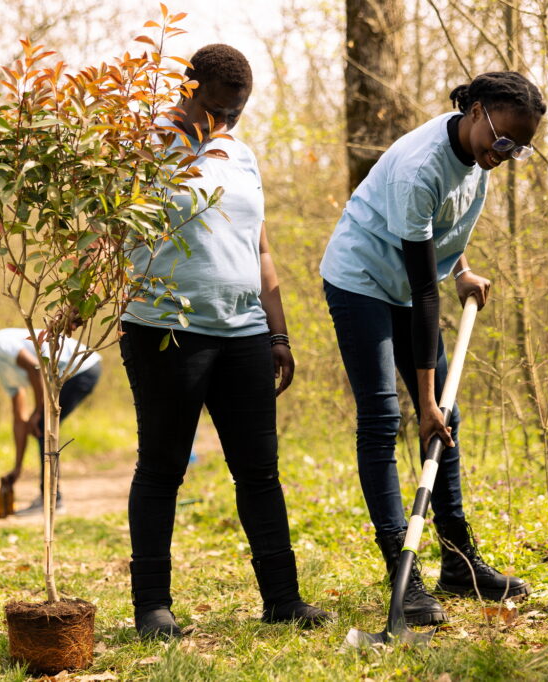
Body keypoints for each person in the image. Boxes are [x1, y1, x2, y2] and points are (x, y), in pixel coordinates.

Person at [120, 43, 331, 639]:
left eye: (237, 113)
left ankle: (283, 598)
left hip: (244, 332)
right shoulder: (142, 146)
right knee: (162, 470)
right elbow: (103, 230)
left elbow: (259, 248)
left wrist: (278, 330)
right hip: (166, 332)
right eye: (216, 110)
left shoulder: (241, 156)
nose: (225, 123)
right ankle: (152, 608)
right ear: (187, 89)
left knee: (260, 471)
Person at [320, 72, 546, 625]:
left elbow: (447, 233)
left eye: (518, 149)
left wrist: (463, 271)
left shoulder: (478, 161)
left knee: (448, 415)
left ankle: (457, 562)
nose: (506, 154)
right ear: (475, 112)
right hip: (362, 282)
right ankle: (406, 574)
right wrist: (424, 401)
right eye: (502, 141)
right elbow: (424, 293)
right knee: (383, 418)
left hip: (407, 284)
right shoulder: (422, 167)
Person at [0, 329, 102, 512]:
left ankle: (51, 500)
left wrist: (38, 412)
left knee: (42, 426)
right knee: (40, 427)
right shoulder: (5, 376)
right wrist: (17, 468)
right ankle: (50, 498)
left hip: (80, 367)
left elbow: (36, 368)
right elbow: (19, 421)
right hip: (74, 374)